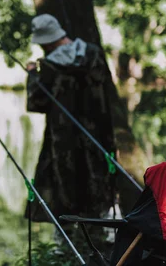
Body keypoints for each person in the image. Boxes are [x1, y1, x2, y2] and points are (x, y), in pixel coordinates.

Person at [25, 13, 116, 246]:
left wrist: (32, 75)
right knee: (97, 185)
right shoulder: (94, 53)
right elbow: (107, 93)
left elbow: (37, 103)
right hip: (97, 136)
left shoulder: (49, 67)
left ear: (46, 41)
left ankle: (65, 246)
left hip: (62, 141)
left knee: (65, 189)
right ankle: (100, 241)